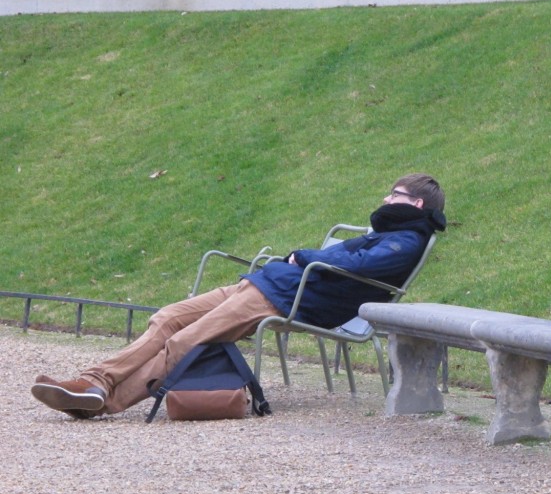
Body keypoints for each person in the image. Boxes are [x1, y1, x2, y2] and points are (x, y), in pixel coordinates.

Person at [31, 173, 446, 419]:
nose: (385, 199)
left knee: (184, 342)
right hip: (266, 283)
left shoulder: (405, 241)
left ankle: (102, 403)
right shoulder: (387, 234)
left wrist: (303, 255)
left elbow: (354, 268)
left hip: (284, 298)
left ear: (417, 202)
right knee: (169, 317)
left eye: (394, 194)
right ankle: (92, 382)